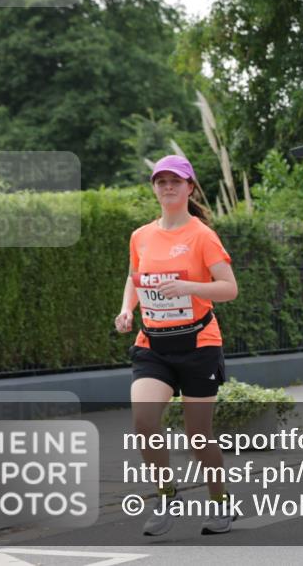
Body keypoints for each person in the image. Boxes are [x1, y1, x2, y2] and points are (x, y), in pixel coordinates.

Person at [114, 155, 239, 536]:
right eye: (161, 181)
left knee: (198, 437)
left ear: (190, 188)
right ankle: (167, 495)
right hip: (153, 344)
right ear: (154, 187)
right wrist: (126, 310)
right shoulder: (141, 235)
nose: (168, 187)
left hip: (199, 344)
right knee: (144, 422)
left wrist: (189, 287)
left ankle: (220, 502)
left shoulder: (201, 235)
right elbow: (136, 277)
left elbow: (229, 288)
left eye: (175, 181)